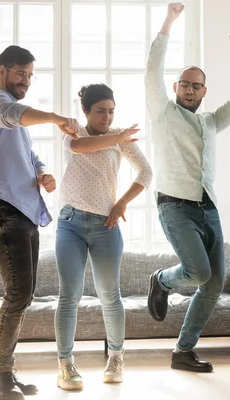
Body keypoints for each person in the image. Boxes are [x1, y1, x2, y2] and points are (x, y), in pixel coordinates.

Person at [145, 2, 230, 372]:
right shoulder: (163, 112)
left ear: (204, 91)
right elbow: (151, 69)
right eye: (185, 84)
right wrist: (170, 21)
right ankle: (160, 279)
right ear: (176, 87)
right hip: (174, 205)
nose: (190, 89)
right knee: (199, 273)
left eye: (197, 85)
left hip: (208, 207)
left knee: (213, 282)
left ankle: (183, 351)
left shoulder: (209, 121)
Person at [0, 45, 78, 399]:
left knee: (23, 294)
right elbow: (13, 114)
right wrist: (55, 117)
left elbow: (28, 154)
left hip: (24, 210)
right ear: (2, 70)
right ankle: (1, 375)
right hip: (1, 211)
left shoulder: (17, 119)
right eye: (21, 74)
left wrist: (43, 172)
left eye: (31, 75)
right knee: (17, 294)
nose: (26, 81)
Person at [54, 83, 152, 390]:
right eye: (100, 111)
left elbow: (146, 173)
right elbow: (79, 149)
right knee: (69, 296)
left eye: (111, 112)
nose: (107, 117)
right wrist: (117, 138)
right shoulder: (73, 132)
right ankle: (66, 366)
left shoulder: (120, 138)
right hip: (70, 223)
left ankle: (116, 358)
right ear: (85, 111)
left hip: (105, 226)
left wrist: (121, 202)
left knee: (110, 296)